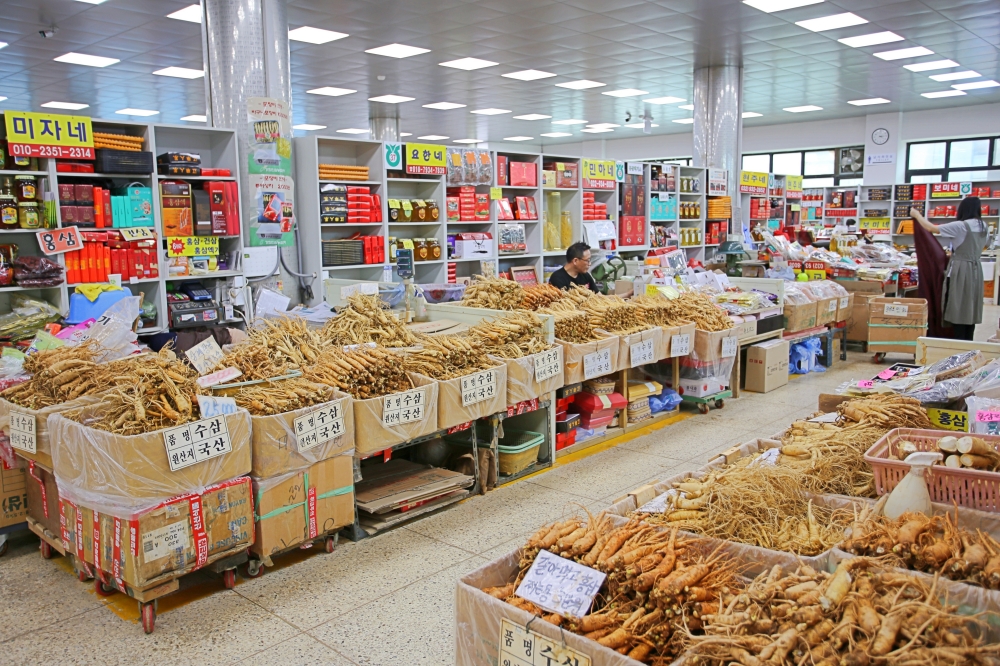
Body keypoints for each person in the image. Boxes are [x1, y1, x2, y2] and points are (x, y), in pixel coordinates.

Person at [910, 196, 989, 341]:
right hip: (976, 270)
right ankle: (968, 341)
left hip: (960, 269)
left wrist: (917, 215)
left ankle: (958, 342)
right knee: (970, 307)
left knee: (957, 306)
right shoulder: (984, 226)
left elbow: (931, 228)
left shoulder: (961, 226)